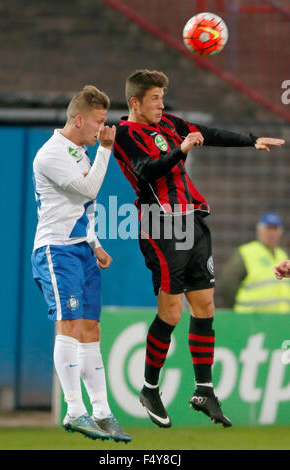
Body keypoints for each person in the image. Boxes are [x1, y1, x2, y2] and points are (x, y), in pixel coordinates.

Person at [113, 69, 285, 429]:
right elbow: (146, 171)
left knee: (205, 307)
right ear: (135, 102)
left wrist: (250, 141)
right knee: (172, 312)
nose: (161, 104)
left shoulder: (171, 123)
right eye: (154, 99)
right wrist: (181, 149)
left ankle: (204, 390)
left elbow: (206, 134)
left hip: (193, 220)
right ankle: (149, 388)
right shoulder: (125, 135)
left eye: (162, 97)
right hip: (161, 223)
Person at [31, 85, 131, 443]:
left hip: (81, 249)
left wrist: (96, 244)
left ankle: (102, 412)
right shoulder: (50, 154)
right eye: (99, 122)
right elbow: (88, 190)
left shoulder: (80, 150)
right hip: (56, 251)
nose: (102, 130)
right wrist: (105, 149)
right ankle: (75, 410)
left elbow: (81, 207)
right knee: (70, 325)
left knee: (91, 331)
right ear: (79, 119)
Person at [220, 212, 290, 313]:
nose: (271, 233)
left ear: (280, 232)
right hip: (252, 319)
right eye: (268, 229)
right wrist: (239, 309)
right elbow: (228, 284)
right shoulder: (246, 252)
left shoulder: (282, 255)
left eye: (275, 230)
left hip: (281, 320)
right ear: (259, 230)